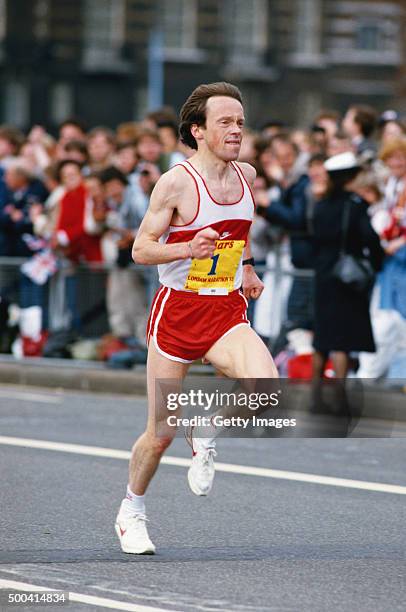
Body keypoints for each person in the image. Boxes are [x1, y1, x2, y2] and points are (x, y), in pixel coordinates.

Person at [114, 82, 278, 555]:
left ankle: (206, 428)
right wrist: (189, 246)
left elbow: (239, 233)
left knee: (265, 386)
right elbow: (140, 249)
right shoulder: (176, 182)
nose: (236, 130)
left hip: (224, 305)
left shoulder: (246, 175)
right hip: (179, 309)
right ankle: (132, 511)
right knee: (161, 432)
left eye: (240, 123)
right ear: (198, 130)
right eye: (225, 122)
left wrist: (245, 266)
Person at [312, 152, 384, 378]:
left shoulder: (321, 205)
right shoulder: (355, 204)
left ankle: (315, 393)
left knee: (322, 337)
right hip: (346, 277)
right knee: (341, 339)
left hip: (323, 274)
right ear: (350, 177)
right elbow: (370, 237)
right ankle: (339, 395)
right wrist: (375, 263)